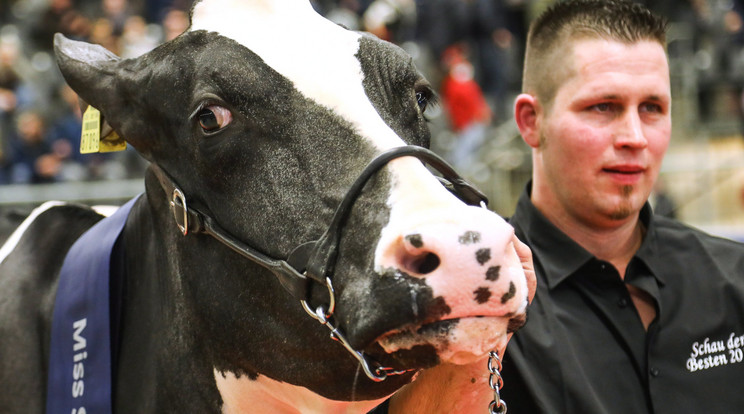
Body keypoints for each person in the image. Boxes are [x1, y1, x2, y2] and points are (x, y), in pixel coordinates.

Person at [501, 0, 744, 413]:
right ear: (531, 121)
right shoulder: (481, 305)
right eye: (603, 107)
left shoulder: (733, 278)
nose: (634, 136)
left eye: (652, 108)